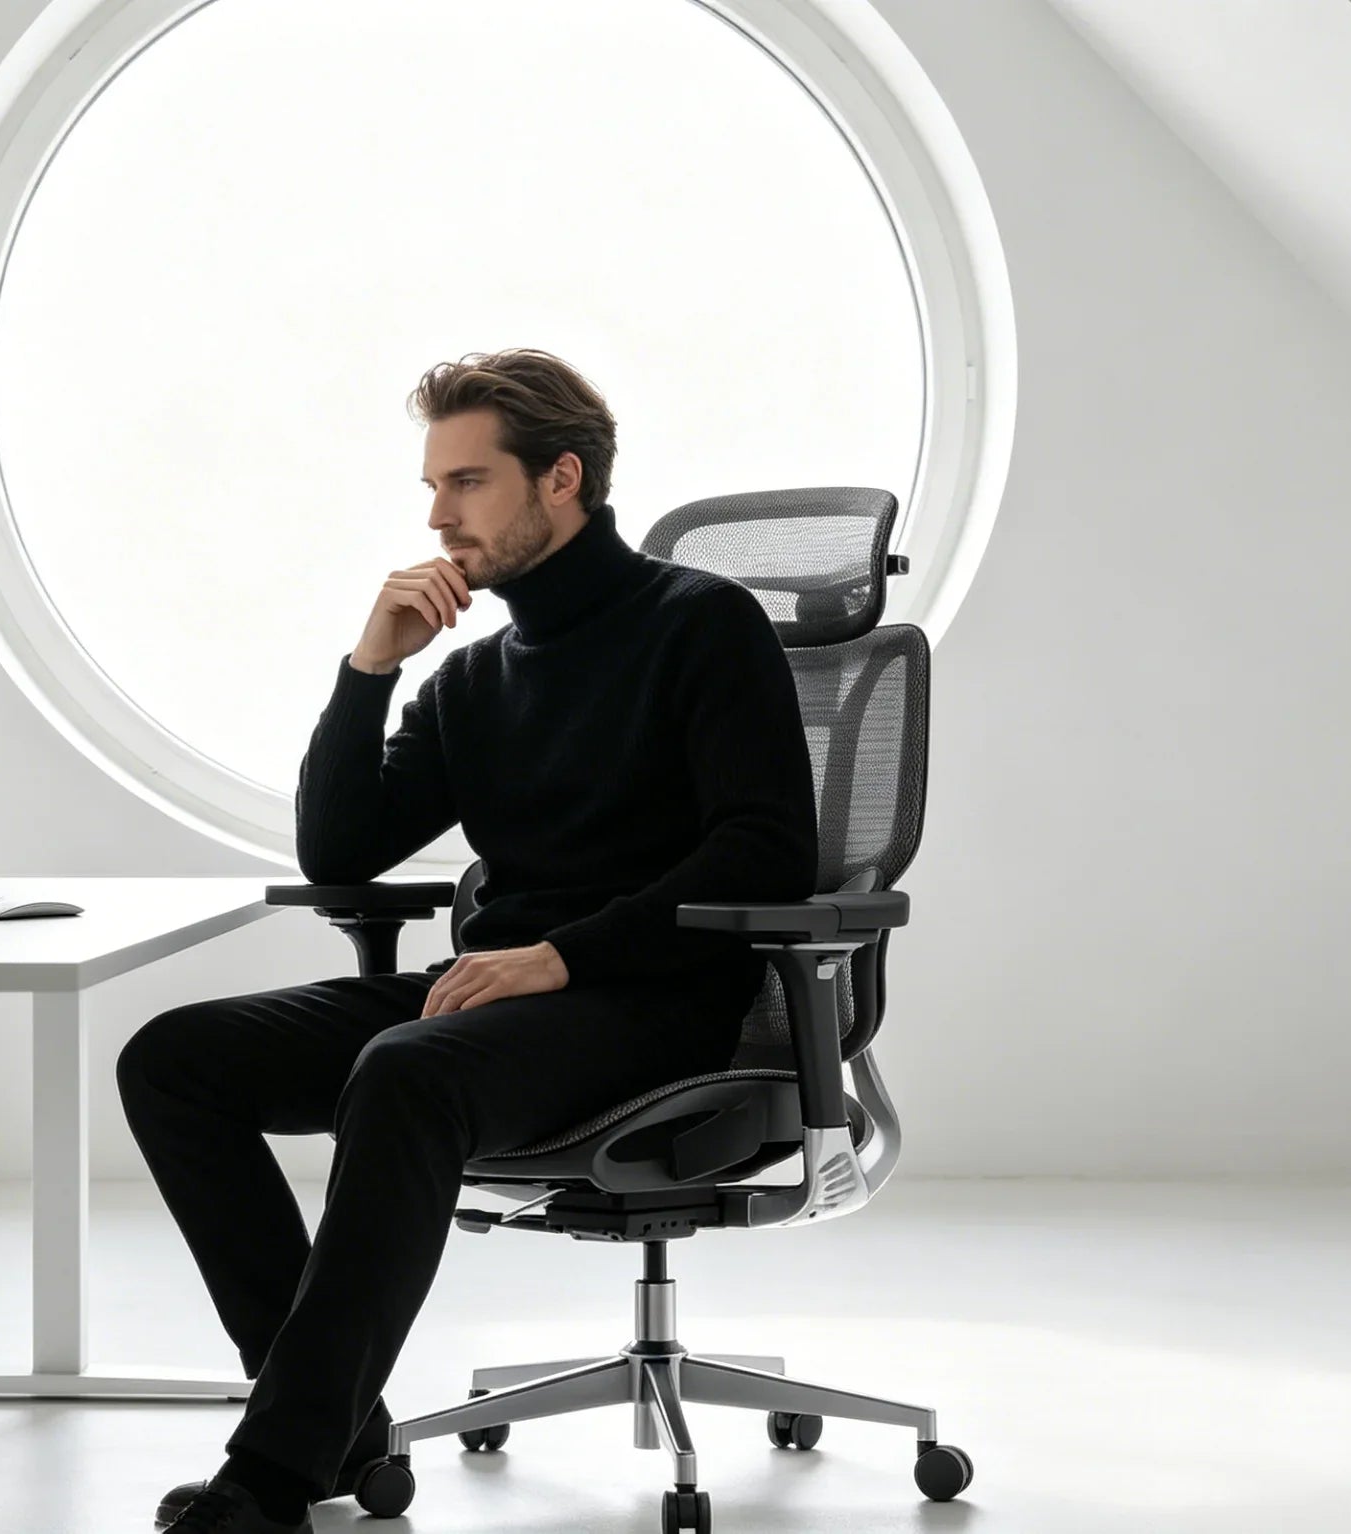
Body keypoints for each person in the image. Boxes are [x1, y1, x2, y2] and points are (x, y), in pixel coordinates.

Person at [118, 348, 819, 1533]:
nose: (437, 515)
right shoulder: (478, 675)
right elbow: (339, 855)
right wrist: (369, 669)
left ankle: (276, 1470)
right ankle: (333, 1426)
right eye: (433, 485)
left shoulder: (701, 623)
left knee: (406, 1069)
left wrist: (559, 956)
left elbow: (764, 853)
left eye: (466, 482)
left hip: (652, 1005)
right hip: (500, 1001)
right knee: (172, 1059)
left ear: (561, 480)